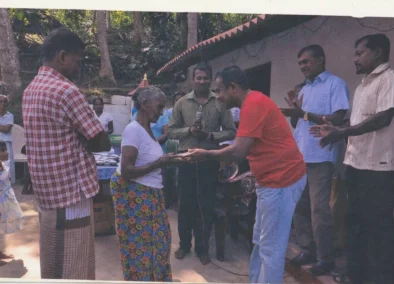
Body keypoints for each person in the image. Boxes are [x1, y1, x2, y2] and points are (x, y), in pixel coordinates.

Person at [187, 66, 306, 283]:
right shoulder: (250, 104)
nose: (218, 96)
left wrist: (206, 154)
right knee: (260, 241)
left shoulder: (253, 105)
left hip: (282, 182)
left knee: (271, 249)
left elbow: (239, 151)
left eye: (220, 90)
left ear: (233, 88)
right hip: (269, 182)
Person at [310, 33, 394, 284]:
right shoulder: (362, 86)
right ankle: (356, 275)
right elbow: (356, 123)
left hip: (378, 167)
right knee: (355, 225)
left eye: (360, 53)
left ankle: (382, 279)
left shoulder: (390, 79)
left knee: (378, 230)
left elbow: (383, 118)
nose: (355, 59)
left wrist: (344, 132)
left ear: (379, 53)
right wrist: (335, 131)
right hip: (356, 164)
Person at [22, 27, 110, 280]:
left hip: (47, 193)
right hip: (72, 192)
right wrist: (82, 136)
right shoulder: (66, 91)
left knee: (52, 260)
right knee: (76, 266)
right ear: (62, 57)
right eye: (77, 60)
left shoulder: (31, 89)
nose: (78, 67)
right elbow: (101, 141)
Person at [281, 44, 350, 276]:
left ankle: (325, 258)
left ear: (320, 60)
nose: (303, 67)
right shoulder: (303, 89)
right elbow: (297, 123)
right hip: (299, 156)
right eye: (300, 63)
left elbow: (339, 118)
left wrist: (304, 113)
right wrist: (295, 109)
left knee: (319, 210)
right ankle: (307, 249)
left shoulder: (335, 84)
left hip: (320, 156)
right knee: (299, 207)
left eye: (306, 62)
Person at [110, 86, 185, 282]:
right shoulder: (133, 130)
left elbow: (149, 150)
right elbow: (127, 170)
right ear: (144, 105)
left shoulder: (146, 129)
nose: (161, 112)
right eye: (159, 107)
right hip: (137, 197)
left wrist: (168, 157)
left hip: (150, 196)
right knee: (141, 250)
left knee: (158, 245)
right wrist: (160, 163)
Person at [168, 62, 236, 265]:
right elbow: (170, 131)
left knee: (206, 204)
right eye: (198, 77)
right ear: (192, 79)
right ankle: (184, 245)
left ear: (211, 79)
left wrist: (209, 135)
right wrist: (189, 131)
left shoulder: (220, 102)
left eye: (206, 78)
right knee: (185, 204)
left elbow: (231, 132)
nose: (202, 81)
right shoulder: (181, 103)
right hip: (186, 160)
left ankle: (202, 248)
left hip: (208, 160)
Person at [0, 140, 23, 266]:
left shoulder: (3, 164)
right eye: (2, 150)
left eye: (5, 150)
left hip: (4, 201)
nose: (6, 153)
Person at [0, 95, 15, 184]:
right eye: (1, 101)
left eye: (5, 102)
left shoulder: (10, 115)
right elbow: (4, 127)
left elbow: (6, 129)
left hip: (6, 143)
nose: (3, 104)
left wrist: (4, 127)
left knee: (7, 164)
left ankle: (7, 182)